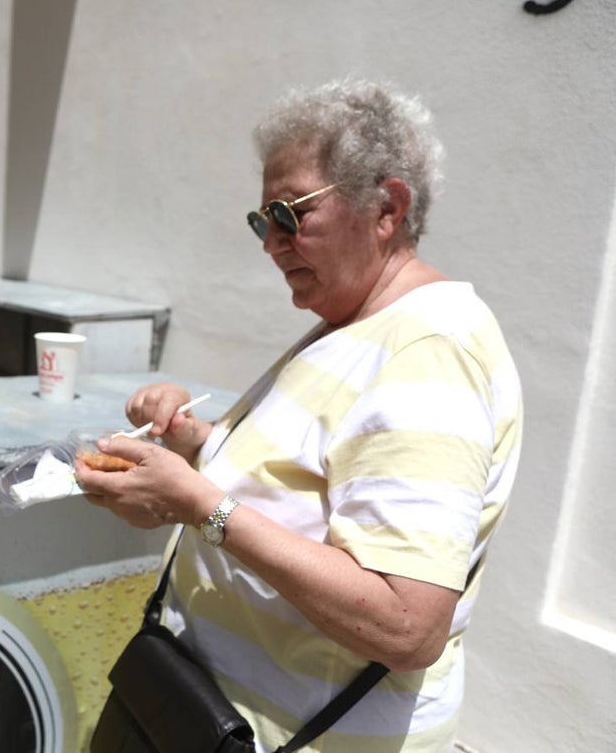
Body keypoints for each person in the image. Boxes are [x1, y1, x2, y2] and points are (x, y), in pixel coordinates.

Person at [75, 79, 523, 752]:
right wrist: (191, 441)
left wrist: (202, 505)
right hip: (208, 711)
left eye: (289, 213)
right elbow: (314, 481)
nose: (271, 242)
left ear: (387, 208)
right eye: (262, 221)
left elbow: (407, 623)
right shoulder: (355, 321)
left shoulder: (430, 349)